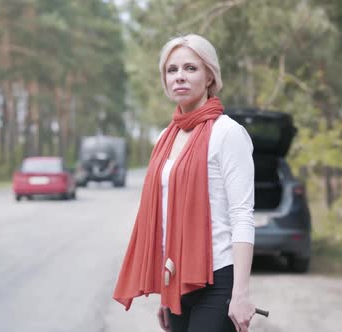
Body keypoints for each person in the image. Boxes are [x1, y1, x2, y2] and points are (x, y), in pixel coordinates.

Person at [113, 33, 256, 332]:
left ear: (209, 77)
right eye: (172, 70)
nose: (180, 76)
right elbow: (166, 218)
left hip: (218, 281)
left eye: (190, 68)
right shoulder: (167, 137)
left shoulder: (228, 134)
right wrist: (165, 296)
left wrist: (241, 294)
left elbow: (242, 215)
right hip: (177, 282)